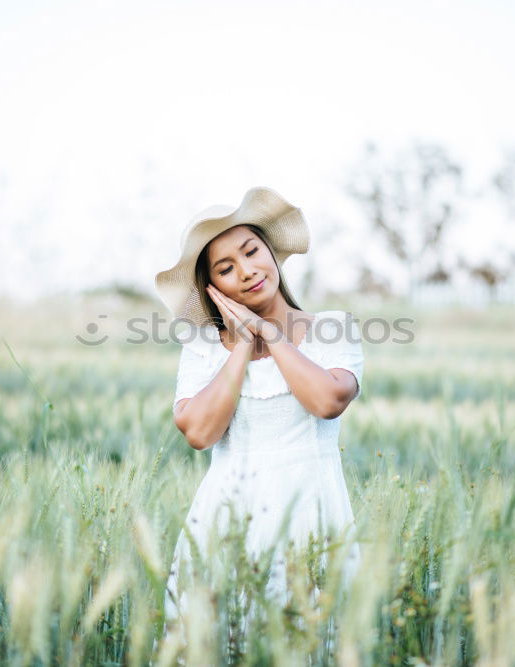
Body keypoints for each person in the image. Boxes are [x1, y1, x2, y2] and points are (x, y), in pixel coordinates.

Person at [154, 186, 363, 634]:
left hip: (311, 518)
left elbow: (326, 401)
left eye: (251, 252)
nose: (247, 271)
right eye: (226, 269)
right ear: (213, 290)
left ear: (271, 252)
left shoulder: (331, 329)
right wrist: (242, 346)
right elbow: (198, 433)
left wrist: (270, 334)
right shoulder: (204, 348)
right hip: (224, 523)